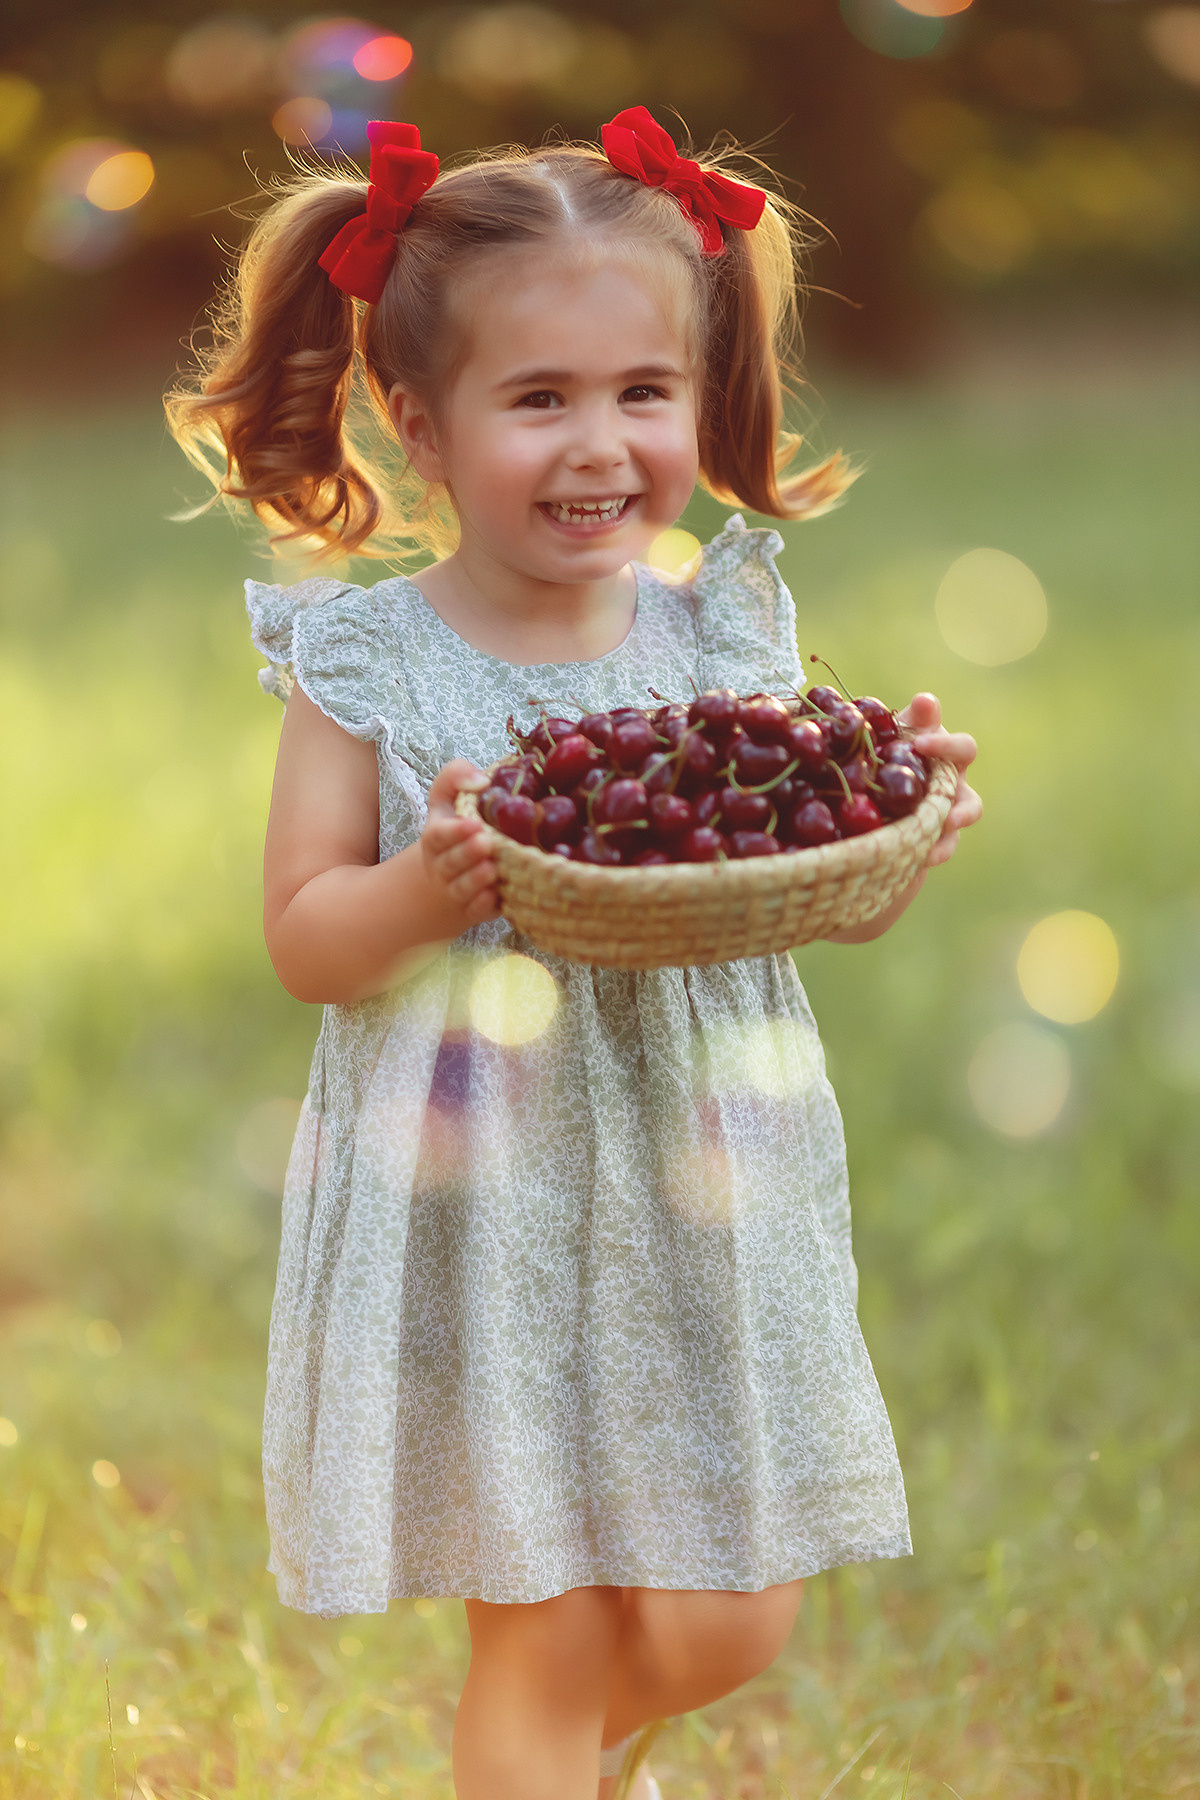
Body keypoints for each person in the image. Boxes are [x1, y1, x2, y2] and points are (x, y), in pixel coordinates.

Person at [167, 107, 980, 1800]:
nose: (599, 443)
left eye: (643, 393)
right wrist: (432, 884)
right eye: (539, 399)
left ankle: (566, 1766)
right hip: (478, 1198)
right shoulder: (367, 660)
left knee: (727, 1623)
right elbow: (309, 938)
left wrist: (893, 825)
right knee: (540, 1626)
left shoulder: (722, 630)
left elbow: (790, 883)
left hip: (707, 1183)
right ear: (422, 424)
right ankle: (531, 1765)